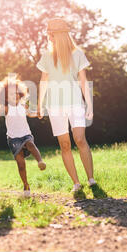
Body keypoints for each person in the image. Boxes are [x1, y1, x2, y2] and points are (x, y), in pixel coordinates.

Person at [37, 18, 95, 192]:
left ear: (60, 35)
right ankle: (76, 183)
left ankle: (91, 178)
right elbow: (43, 82)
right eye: (49, 34)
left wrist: (90, 105)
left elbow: (83, 81)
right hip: (55, 106)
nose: (49, 37)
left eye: (52, 34)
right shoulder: (47, 56)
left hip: (75, 102)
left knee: (79, 139)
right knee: (65, 144)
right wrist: (40, 104)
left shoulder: (77, 54)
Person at [0, 75, 46, 197]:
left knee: (30, 144)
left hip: (25, 135)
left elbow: (30, 114)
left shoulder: (23, 105)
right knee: (21, 164)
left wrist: (38, 114)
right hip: (13, 139)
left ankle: (40, 161)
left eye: (16, 93)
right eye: (10, 94)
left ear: (20, 94)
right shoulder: (6, 108)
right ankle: (26, 184)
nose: (14, 96)